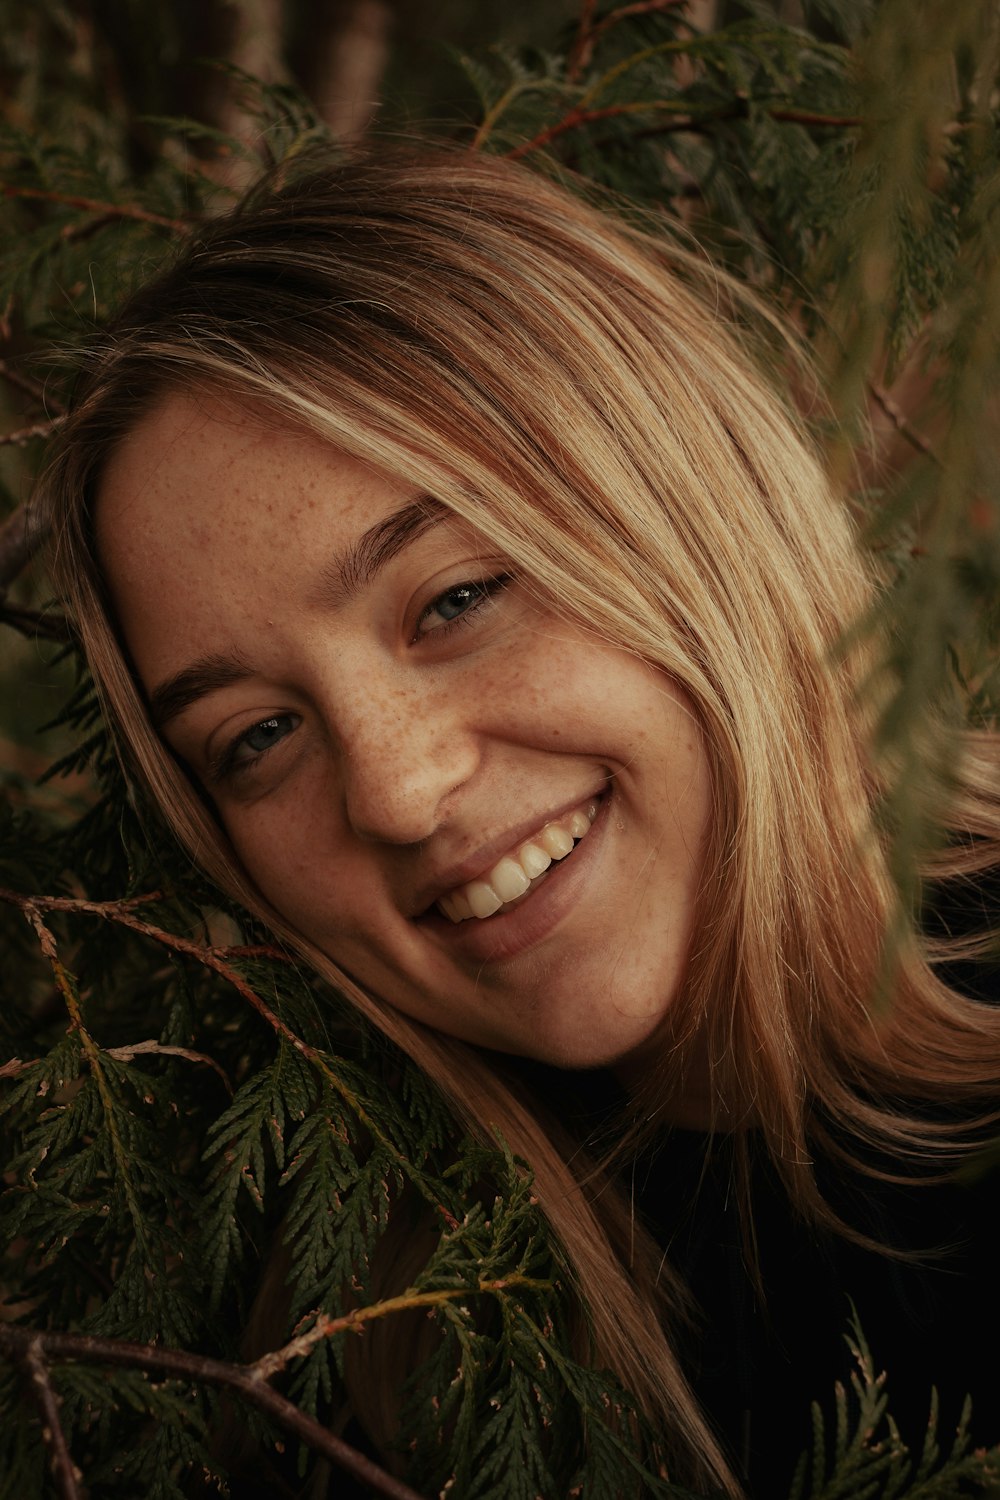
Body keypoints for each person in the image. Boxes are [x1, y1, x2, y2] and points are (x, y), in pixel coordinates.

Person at [41, 147, 1000, 1498]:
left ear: (686, 513)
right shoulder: (380, 1350)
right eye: (256, 737)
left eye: (457, 598)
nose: (394, 789)